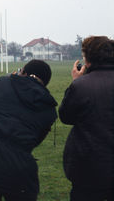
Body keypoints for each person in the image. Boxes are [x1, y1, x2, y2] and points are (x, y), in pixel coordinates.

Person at [0, 59, 57, 201]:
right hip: (19, 169)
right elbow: (35, 140)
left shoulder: (5, 83)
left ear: (23, 72)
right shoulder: (49, 109)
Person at [59, 36, 114, 201]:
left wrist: (76, 82)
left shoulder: (81, 85)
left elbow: (66, 116)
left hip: (89, 164)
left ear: (88, 58)